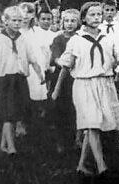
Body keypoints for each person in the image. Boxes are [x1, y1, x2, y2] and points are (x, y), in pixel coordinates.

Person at [57, 2, 119, 177]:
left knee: (95, 125)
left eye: (99, 14)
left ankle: (82, 165)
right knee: (92, 124)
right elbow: (66, 64)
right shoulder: (76, 40)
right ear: (83, 18)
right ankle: (101, 166)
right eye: (92, 15)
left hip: (105, 84)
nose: (96, 18)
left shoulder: (108, 38)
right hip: (84, 85)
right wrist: (57, 88)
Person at [0, 6, 45, 154]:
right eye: (14, 20)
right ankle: (11, 147)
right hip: (4, 80)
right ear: (6, 21)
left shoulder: (23, 39)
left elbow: (32, 59)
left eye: (20, 20)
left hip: (19, 79)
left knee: (16, 111)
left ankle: (3, 145)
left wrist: (40, 75)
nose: (17, 23)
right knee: (7, 114)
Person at [49, 8, 81, 154]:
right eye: (66, 21)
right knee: (60, 109)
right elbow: (55, 57)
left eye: (73, 21)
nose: (69, 24)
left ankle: (77, 139)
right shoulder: (58, 39)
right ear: (62, 22)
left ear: (78, 22)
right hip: (61, 78)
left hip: (76, 77)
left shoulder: (80, 38)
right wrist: (63, 62)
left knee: (76, 108)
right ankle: (60, 141)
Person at [19, 2, 50, 128]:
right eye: (23, 12)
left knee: (35, 95)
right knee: (20, 96)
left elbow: (46, 51)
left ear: (33, 15)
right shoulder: (16, 31)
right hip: (20, 67)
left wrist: (46, 66)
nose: (25, 15)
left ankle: (34, 124)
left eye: (29, 12)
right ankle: (21, 123)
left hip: (36, 68)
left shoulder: (38, 32)